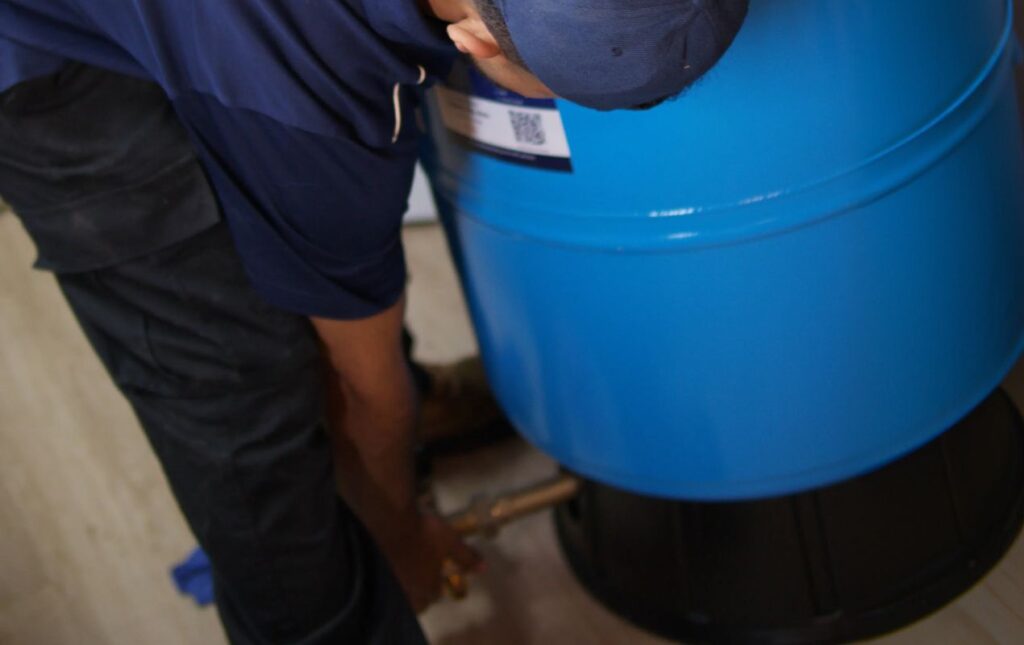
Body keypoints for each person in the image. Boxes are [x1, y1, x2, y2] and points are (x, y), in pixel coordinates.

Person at [0, 0, 748, 642]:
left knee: (331, 263)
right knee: (237, 390)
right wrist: (402, 536)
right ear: (478, 45)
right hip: (38, 58)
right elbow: (366, 385)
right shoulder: (312, 104)